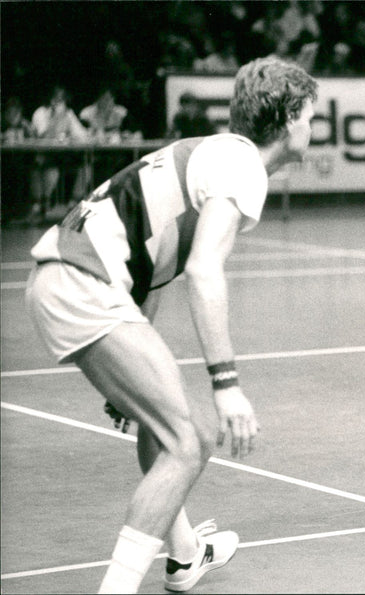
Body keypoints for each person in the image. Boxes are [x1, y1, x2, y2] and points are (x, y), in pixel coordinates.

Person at [25, 56, 318, 593]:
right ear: (288, 115)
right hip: (83, 282)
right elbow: (204, 270)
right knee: (189, 440)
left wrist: (132, 365)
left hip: (65, 279)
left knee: (162, 426)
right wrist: (226, 384)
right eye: (310, 116)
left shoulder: (212, 155)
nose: (313, 127)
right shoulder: (243, 166)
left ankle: (185, 557)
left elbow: (157, 272)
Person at [29, 85, 90, 222]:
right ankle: (40, 206)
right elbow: (42, 135)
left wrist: (88, 133)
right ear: (50, 100)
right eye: (56, 99)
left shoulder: (68, 113)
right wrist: (55, 118)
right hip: (43, 155)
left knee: (85, 167)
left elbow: (81, 134)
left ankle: (73, 204)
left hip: (63, 154)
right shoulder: (40, 113)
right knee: (50, 171)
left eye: (62, 99)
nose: (59, 102)